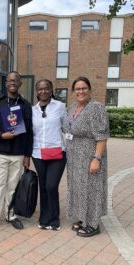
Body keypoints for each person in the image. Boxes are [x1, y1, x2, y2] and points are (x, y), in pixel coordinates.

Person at [0, 71, 33, 234]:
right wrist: (1, 135)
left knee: (13, 186)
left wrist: (27, 155)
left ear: (20, 84)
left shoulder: (25, 105)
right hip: (1, 151)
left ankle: (10, 215)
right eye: (10, 80)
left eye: (16, 81)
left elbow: (30, 131)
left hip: (18, 152)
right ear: (6, 83)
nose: (13, 83)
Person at [64, 76, 109, 237]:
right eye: (77, 89)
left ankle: (94, 224)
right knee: (79, 189)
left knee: (92, 189)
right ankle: (83, 218)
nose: (80, 91)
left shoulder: (96, 108)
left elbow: (102, 136)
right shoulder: (72, 107)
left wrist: (96, 159)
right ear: (73, 92)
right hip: (75, 158)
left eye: (84, 88)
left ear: (89, 90)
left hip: (90, 156)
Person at [32, 79, 67, 231]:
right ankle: (44, 218)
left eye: (47, 88)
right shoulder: (33, 110)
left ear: (51, 90)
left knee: (51, 186)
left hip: (57, 152)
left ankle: (54, 217)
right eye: (40, 89)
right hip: (38, 153)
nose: (43, 91)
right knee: (43, 186)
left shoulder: (60, 106)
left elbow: (67, 128)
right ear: (37, 92)